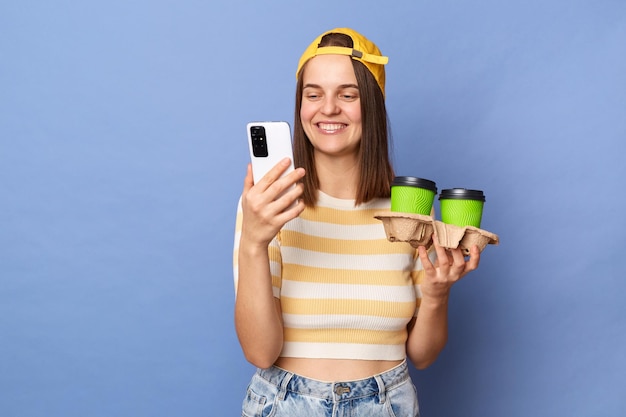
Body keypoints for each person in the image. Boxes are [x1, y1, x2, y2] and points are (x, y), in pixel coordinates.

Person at [233, 27, 481, 417]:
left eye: (347, 95)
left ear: (373, 106)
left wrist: (436, 295)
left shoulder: (410, 210)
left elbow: (424, 355)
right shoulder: (267, 206)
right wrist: (253, 243)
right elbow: (259, 351)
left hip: (387, 404)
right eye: (313, 94)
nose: (328, 108)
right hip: (286, 405)